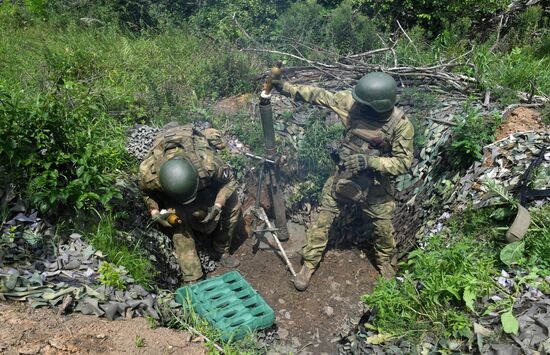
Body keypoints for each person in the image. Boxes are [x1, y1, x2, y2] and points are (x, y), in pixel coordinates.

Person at [274, 72, 414, 291]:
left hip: (376, 186)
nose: (359, 106)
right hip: (344, 176)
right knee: (322, 220)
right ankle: (308, 265)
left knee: (383, 229)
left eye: (365, 103)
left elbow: (403, 163)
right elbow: (319, 95)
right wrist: (285, 87)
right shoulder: (352, 103)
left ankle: (386, 267)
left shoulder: (400, 125)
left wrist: (371, 162)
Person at [138, 123, 241, 283]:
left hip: (202, 187)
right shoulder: (149, 175)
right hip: (173, 195)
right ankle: (193, 276)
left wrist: (217, 205)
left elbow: (230, 181)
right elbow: (146, 193)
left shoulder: (208, 164)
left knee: (233, 203)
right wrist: (155, 212)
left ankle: (220, 250)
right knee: (178, 221)